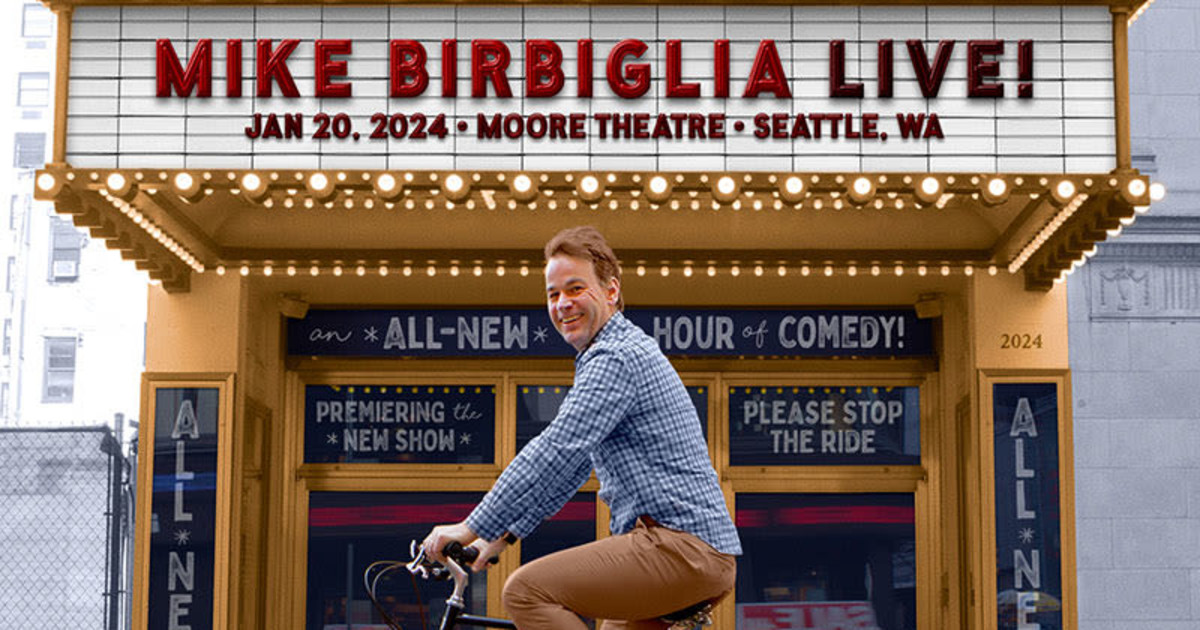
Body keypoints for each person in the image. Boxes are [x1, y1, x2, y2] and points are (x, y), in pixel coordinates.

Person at [421, 226, 741, 629]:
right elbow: (567, 471)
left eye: (575, 289)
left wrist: (470, 526)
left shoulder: (616, 356)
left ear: (611, 291)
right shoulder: (613, 353)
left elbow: (556, 449)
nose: (562, 304)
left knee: (525, 592)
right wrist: (499, 537)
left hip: (678, 549)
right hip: (687, 551)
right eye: (553, 294)